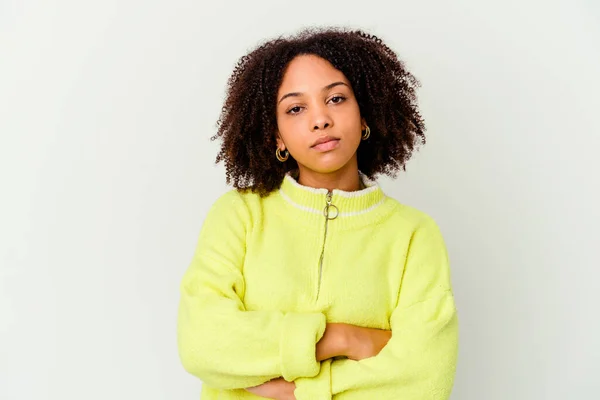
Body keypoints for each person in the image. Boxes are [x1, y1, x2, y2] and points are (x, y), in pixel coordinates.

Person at [177, 27, 459, 400]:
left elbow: (426, 378)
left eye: (337, 99)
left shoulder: (413, 234)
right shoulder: (239, 216)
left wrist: (299, 390)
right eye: (296, 108)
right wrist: (344, 339)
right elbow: (202, 341)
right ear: (276, 135)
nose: (320, 119)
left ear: (364, 115)